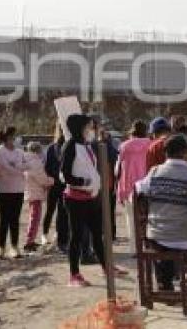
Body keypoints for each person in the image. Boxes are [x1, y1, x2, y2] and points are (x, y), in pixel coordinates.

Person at [135, 134, 187, 310]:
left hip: (157, 237)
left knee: (162, 243)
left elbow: (135, 192)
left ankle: (166, 287)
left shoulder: (154, 173)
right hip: (185, 239)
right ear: (185, 153)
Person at [60, 113, 127, 287]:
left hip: (92, 197)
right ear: (80, 128)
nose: (92, 130)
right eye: (89, 127)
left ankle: (107, 268)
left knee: (97, 234)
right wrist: (83, 182)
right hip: (75, 199)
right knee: (76, 236)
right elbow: (64, 174)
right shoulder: (70, 146)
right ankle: (74, 275)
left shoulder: (88, 145)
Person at [115, 120, 152, 251]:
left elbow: (117, 170)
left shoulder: (124, 146)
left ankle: (134, 249)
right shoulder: (151, 145)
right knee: (148, 218)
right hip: (147, 186)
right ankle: (148, 246)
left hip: (129, 186)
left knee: (131, 218)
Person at [0, 126, 27, 259]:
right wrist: (18, 168)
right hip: (4, 190)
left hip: (18, 189)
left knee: (15, 219)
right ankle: (1, 247)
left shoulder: (19, 152)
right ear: (7, 137)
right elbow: (4, 167)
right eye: (13, 136)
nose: (15, 138)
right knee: (4, 220)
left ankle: (14, 247)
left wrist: (17, 167)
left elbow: (27, 165)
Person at [23, 141, 54, 252]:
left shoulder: (28, 160)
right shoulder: (35, 162)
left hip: (32, 191)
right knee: (34, 218)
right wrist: (52, 181)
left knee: (34, 217)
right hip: (35, 193)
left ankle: (30, 240)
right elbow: (42, 179)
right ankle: (29, 242)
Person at [43, 122, 68, 251]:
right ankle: (52, 236)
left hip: (60, 184)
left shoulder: (54, 147)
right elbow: (47, 167)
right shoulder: (53, 148)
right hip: (59, 184)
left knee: (60, 212)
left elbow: (47, 167)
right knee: (57, 211)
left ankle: (61, 239)